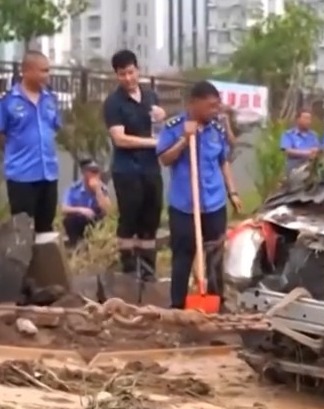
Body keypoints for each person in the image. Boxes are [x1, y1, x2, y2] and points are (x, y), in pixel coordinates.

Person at [156, 81, 242, 310]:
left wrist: (232, 192)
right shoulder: (174, 126)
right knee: (183, 257)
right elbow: (164, 159)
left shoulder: (217, 128)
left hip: (213, 204)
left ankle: (216, 301)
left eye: (217, 106)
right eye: (210, 106)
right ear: (193, 103)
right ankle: (177, 305)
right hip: (184, 206)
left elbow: (223, 162)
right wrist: (184, 139)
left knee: (214, 255)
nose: (215, 111)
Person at [103, 49, 167, 279]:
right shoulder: (113, 103)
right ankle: (129, 269)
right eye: (122, 74)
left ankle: (148, 270)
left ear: (137, 70)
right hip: (127, 170)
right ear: (117, 76)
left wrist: (162, 118)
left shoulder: (151, 96)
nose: (128, 78)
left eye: (130, 72)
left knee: (151, 216)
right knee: (130, 217)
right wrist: (152, 143)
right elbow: (119, 139)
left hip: (151, 168)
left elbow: (159, 130)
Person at [0, 51, 62, 235]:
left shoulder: (50, 99)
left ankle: (43, 265)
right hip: (21, 176)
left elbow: (55, 127)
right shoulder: (8, 102)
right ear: (26, 71)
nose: (47, 75)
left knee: (46, 230)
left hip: (48, 174)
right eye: (43, 71)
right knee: (22, 231)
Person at [61, 159, 113, 246]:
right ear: (84, 173)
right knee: (69, 220)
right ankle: (75, 243)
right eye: (93, 171)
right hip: (79, 220)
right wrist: (81, 210)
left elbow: (108, 210)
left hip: (95, 221)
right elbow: (64, 208)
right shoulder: (74, 188)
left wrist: (97, 190)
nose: (96, 175)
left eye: (97, 172)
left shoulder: (102, 188)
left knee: (101, 217)